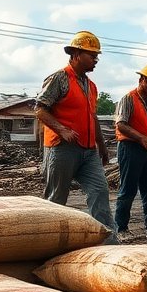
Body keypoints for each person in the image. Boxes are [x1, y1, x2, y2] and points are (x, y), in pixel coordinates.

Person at [35, 31, 116, 241]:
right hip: (62, 148)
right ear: (76, 54)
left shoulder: (91, 86)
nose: (96, 60)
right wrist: (62, 129)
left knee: (100, 192)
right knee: (56, 199)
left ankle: (107, 243)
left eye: (97, 56)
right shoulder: (59, 78)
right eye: (92, 55)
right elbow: (40, 109)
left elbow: (92, 117)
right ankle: (46, 243)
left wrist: (102, 145)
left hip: (88, 151)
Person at [114, 64, 147, 241]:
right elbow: (121, 124)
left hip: (146, 150)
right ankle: (120, 228)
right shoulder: (128, 99)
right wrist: (141, 138)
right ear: (143, 80)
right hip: (130, 148)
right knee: (128, 189)